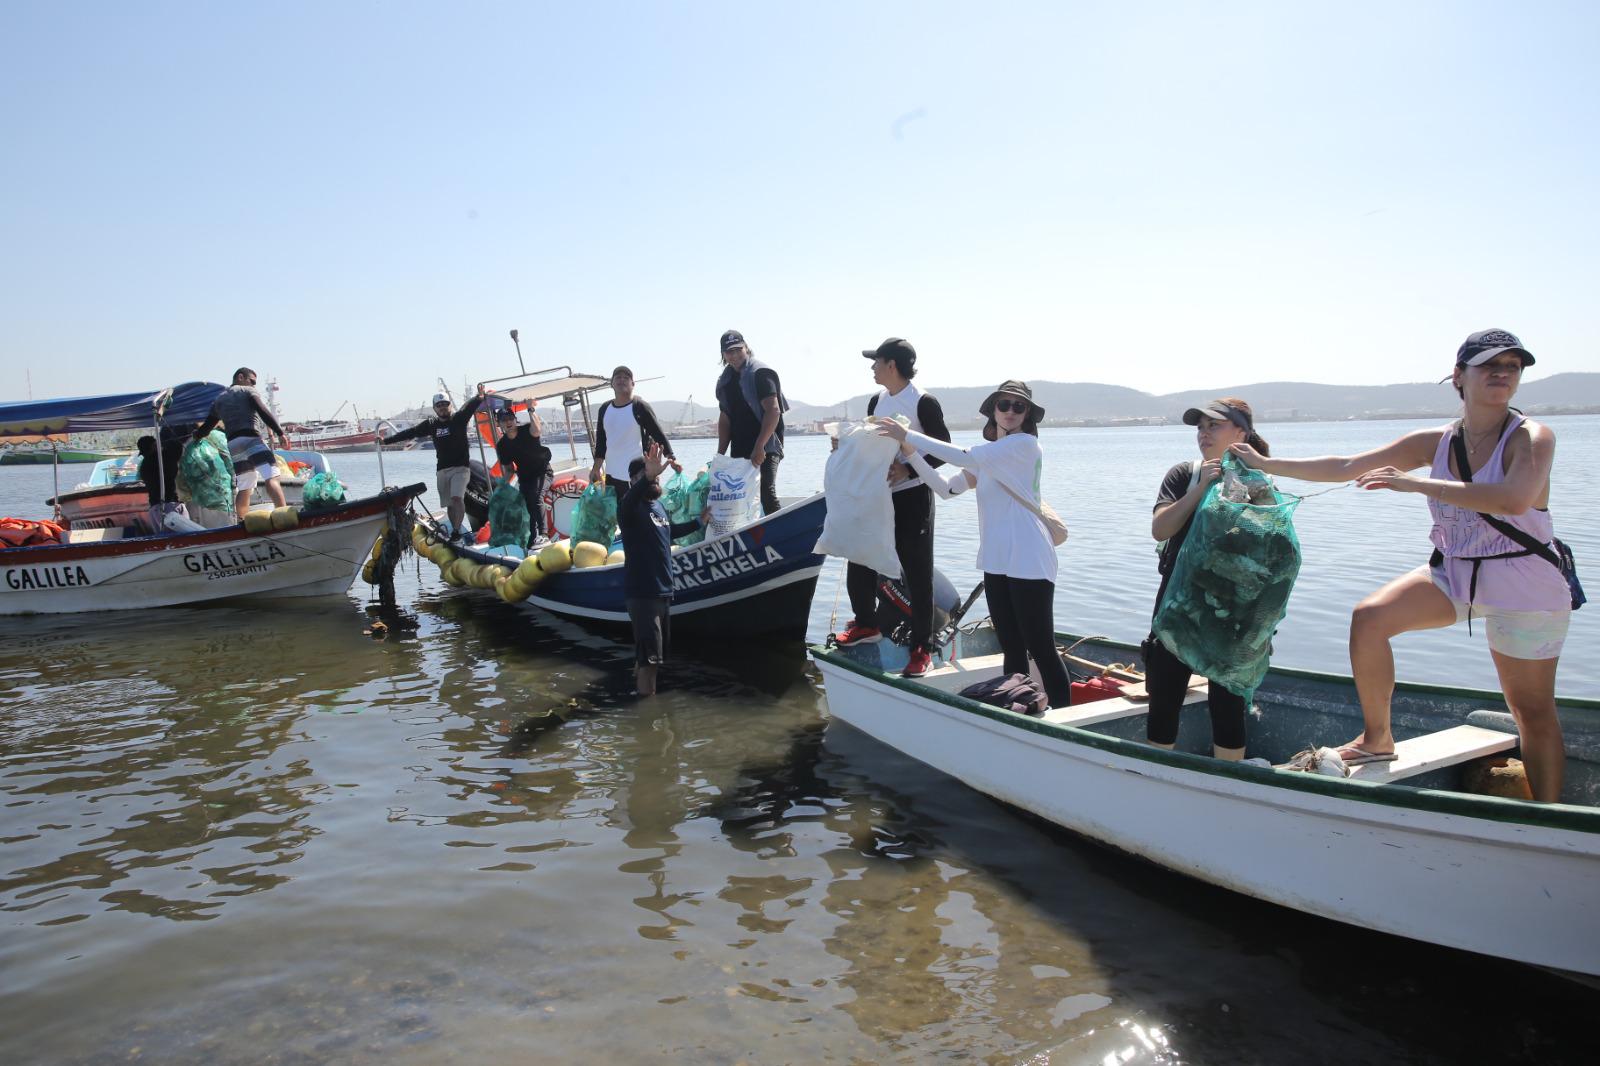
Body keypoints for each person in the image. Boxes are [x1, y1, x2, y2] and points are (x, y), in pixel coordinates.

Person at [1230, 329, 1571, 801]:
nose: (1502, 373)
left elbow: (1514, 501)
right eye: (1489, 364)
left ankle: (1549, 816)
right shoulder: (1436, 442)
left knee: (1531, 710)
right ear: (1459, 376)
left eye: (1512, 366)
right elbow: (1348, 463)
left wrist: (1418, 486)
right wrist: (1268, 464)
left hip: (1525, 583)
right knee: (1370, 618)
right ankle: (1377, 740)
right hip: (1457, 572)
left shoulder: (1532, 436)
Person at [875, 380, 1071, 705]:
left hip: (1029, 558)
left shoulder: (1023, 446)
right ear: (993, 410)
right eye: (1003, 405)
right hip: (996, 560)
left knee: (1040, 646)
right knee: (1011, 645)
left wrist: (906, 434)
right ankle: (1018, 704)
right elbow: (943, 488)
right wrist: (910, 454)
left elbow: (960, 455)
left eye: (1018, 406)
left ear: (1027, 415)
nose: (1010, 411)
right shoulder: (989, 458)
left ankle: (1066, 721)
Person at [1142, 398, 1274, 760]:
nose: (1204, 433)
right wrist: (1200, 488)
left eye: (1214, 425)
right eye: (1201, 427)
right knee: (1164, 701)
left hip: (1229, 615)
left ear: (1241, 432)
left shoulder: (1258, 483)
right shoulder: (1183, 474)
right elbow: (1160, 529)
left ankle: (1229, 783)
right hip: (1178, 605)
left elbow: (1272, 547)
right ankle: (1157, 778)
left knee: (1228, 708)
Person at [834, 338, 951, 678]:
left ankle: (921, 647)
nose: (872, 367)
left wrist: (909, 468)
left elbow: (943, 450)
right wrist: (845, 445)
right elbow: (871, 444)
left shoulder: (923, 402)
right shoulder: (877, 400)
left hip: (913, 496)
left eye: (876, 361)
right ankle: (867, 624)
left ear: (893, 365)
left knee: (916, 571)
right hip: (879, 495)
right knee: (861, 556)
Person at [619, 442, 706, 697]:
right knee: (650, 664)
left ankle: (637, 698)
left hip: (663, 593)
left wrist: (699, 521)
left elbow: (670, 533)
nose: (655, 480)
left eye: (656, 475)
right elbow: (633, 495)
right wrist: (646, 477)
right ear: (635, 480)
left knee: (651, 658)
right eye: (646, 475)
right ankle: (648, 718)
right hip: (643, 594)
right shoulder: (629, 508)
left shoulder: (657, 507)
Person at [381, 385, 488, 539]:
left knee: (457, 497)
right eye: (439, 406)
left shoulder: (459, 418)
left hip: (461, 468)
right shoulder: (431, 425)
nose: (443, 408)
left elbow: (470, 407)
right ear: (435, 409)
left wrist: (479, 396)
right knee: (450, 503)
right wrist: (386, 441)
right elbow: (410, 432)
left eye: (445, 404)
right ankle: (455, 531)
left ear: (450, 405)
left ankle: (456, 531)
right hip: (442, 470)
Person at [194, 367, 288, 520]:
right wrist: (280, 432)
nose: (253, 385)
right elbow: (263, 410)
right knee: (271, 476)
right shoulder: (246, 391)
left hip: (233, 444)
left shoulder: (219, 400)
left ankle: (242, 522)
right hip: (251, 438)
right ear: (240, 377)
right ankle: (283, 514)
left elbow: (207, 427)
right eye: (252, 381)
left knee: (245, 486)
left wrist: (196, 436)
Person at [715, 329, 789, 514]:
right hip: (740, 446)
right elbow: (725, 418)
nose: (734, 355)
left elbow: (773, 411)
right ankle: (751, 537)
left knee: (766, 492)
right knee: (740, 493)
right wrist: (720, 455)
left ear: (746, 348)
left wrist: (759, 446)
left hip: (767, 445)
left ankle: (779, 535)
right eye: (729, 352)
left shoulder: (760, 373)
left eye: (738, 349)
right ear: (723, 355)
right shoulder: (725, 381)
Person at [589, 366, 678, 499]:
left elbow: (658, 433)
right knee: (619, 516)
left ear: (633, 384)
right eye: (618, 377)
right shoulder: (604, 409)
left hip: (638, 474)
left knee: (640, 513)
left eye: (626, 378)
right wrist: (596, 468)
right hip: (612, 475)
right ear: (612, 384)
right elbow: (601, 442)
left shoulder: (639, 406)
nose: (622, 380)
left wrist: (671, 458)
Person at [492, 406, 551, 544]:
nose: (508, 422)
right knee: (525, 506)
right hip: (525, 477)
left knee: (536, 496)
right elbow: (509, 470)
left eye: (511, 418)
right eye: (504, 420)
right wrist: (501, 487)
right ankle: (530, 541)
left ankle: (544, 534)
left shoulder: (527, 429)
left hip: (543, 472)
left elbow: (537, 430)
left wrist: (531, 409)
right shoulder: (502, 445)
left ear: (515, 419)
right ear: (498, 424)